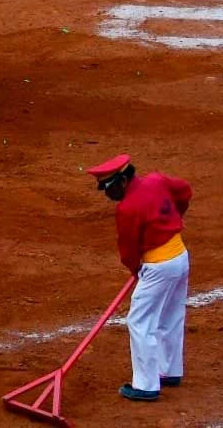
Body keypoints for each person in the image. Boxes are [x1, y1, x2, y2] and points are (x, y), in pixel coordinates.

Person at [89, 153, 192, 402]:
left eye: (108, 187)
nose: (106, 194)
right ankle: (169, 370)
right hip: (180, 256)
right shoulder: (157, 181)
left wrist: (138, 271)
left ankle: (146, 385)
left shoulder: (127, 208)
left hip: (159, 267)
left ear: (123, 181)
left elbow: (128, 251)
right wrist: (175, 218)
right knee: (171, 313)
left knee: (139, 321)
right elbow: (185, 191)